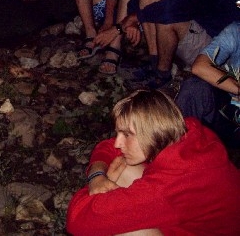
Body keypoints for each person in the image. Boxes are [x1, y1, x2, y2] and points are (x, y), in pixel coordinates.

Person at [66, 88, 240, 236]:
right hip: (195, 222)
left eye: (127, 134)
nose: (118, 143)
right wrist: (97, 175)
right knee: (123, 165)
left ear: (152, 132)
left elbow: (77, 220)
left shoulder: (168, 186)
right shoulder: (185, 132)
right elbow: (108, 147)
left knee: (129, 230)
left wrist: (103, 184)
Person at [176, 20, 240, 146]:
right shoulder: (236, 31)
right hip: (228, 105)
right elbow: (200, 66)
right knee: (194, 88)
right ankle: (179, 145)